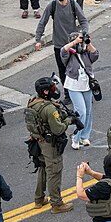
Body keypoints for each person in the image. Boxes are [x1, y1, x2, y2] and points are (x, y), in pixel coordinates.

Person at [26, 76, 71, 213]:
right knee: (54, 171)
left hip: (37, 140)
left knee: (43, 167)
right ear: (45, 92)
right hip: (49, 143)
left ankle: (39, 199)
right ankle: (56, 203)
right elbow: (58, 129)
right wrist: (68, 121)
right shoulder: (49, 109)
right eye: (52, 88)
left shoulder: (33, 102)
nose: (55, 90)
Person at [34, 0, 91, 79]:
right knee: (62, 70)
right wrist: (38, 39)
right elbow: (42, 22)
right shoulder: (52, 6)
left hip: (73, 44)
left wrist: (84, 32)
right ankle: (66, 91)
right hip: (59, 45)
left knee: (75, 68)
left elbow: (83, 20)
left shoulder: (73, 5)